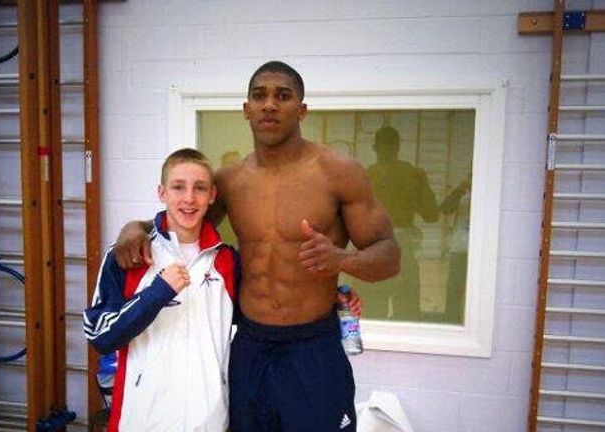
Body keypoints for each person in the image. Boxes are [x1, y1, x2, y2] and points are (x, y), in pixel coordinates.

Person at [113, 61, 400, 432]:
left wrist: (343, 259)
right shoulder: (230, 181)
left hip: (313, 345)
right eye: (259, 96)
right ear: (246, 110)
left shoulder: (338, 172)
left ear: (302, 109)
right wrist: (131, 228)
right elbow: (181, 219)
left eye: (283, 96)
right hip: (251, 344)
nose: (269, 105)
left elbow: (389, 254)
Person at [83, 149, 240, 431]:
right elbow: (100, 336)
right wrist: (158, 293)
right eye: (178, 187)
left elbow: (261, 315)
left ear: (212, 195)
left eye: (199, 188)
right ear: (162, 192)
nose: (189, 198)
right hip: (142, 419)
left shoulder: (227, 260)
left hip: (209, 421)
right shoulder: (129, 254)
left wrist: (335, 301)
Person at [366, 126, 439, 320]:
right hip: (400, 246)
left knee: (373, 313)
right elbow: (431, 215)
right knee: (405, 315)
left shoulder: (365, 176)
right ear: (398, 147)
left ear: (375, 148)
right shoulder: (412, 174)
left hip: (375, 247)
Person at [439, 175, 471, 323]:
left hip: (476, 250)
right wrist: (459, 188)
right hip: (459, 247)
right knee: (454, 290)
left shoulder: (488, 194)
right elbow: (445, 209)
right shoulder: (463, 195)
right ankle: (451, 321)